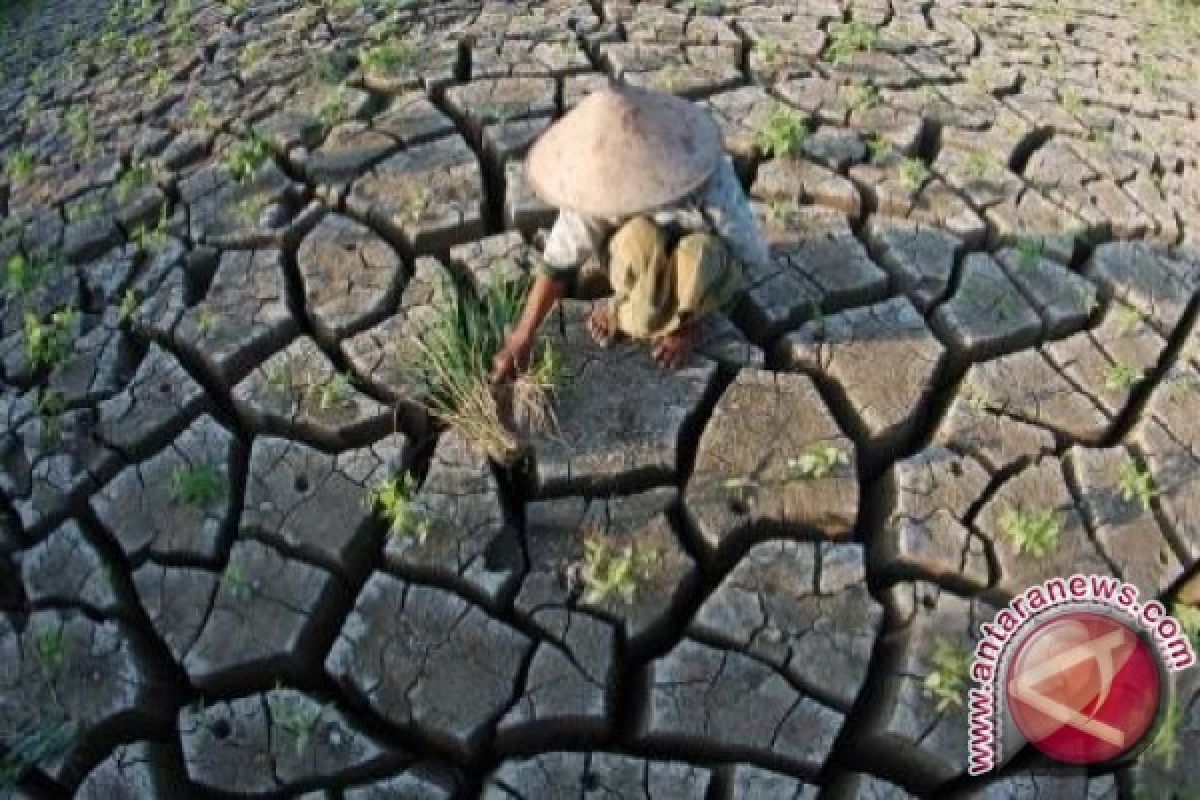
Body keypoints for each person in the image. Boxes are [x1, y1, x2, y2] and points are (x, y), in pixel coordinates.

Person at [489, 83, 771, 383]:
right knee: (638, 241)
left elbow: (749, 259)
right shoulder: (597, 188)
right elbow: (557, 265)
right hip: (638, 259)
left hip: (700, 268)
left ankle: (680, 322)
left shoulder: (709, 183)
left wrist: (693, 323)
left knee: (696, 257)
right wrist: (522, 335)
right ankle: (630, 310)